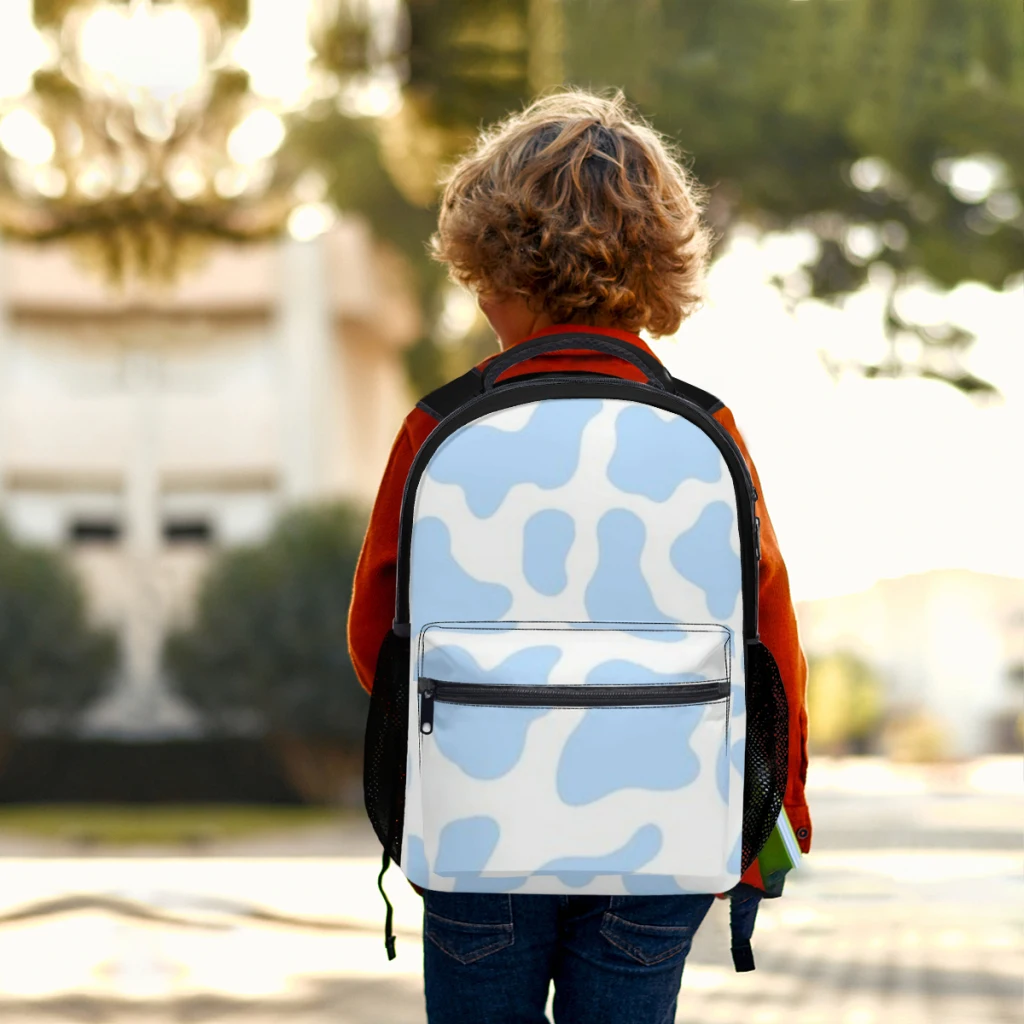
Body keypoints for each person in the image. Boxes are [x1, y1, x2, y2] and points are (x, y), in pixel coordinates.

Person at [348, 89, 810, 1024]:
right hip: (661, 833)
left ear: (494, 269)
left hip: (481, 831)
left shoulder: (437, 427)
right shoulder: (708, 428)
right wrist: (775, 815)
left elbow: (375, 638)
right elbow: (770, 641)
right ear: (659, 268)